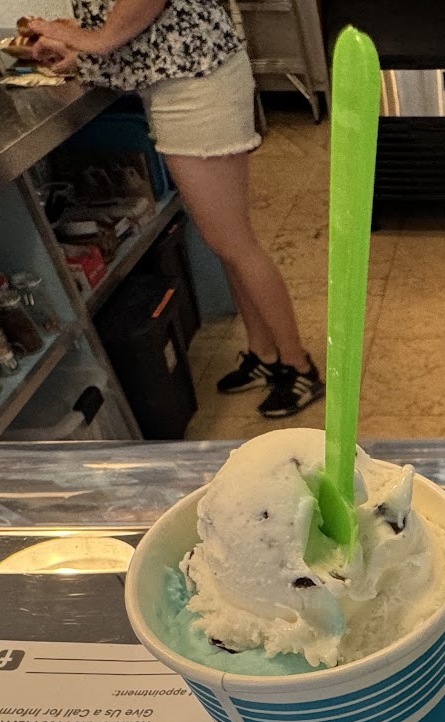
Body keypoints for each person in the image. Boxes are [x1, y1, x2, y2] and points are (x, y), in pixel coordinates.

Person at [25, 0, 322, 418]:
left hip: (195, 89)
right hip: (184, 82)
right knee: (226, 243)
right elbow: (139, 32)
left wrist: (80, 38)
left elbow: (119, 29)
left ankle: (299, 367)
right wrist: (80, 53)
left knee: (235, 244)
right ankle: (265, 353)